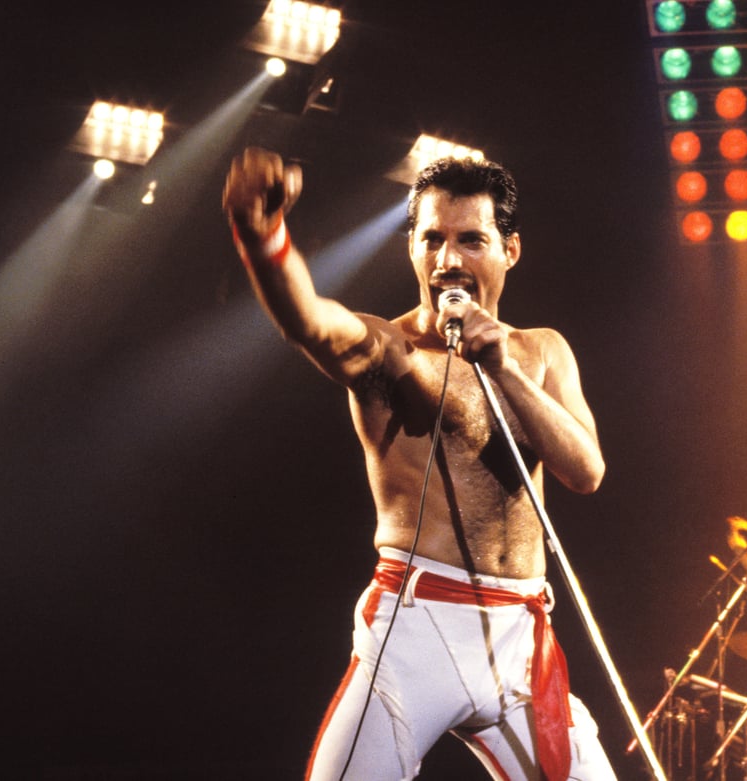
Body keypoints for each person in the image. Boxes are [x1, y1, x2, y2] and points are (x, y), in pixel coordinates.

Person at [222, 147, 616, 781]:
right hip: (416, 624)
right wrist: (262, 236)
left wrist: (503, 369)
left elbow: (586, 471)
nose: (448, 260)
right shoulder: (389, 350)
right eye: (431, 239)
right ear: (411, 246)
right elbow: (310, 322)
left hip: (520, 635)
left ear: (509, 250)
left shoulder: (543, 352)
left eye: (470, 240)